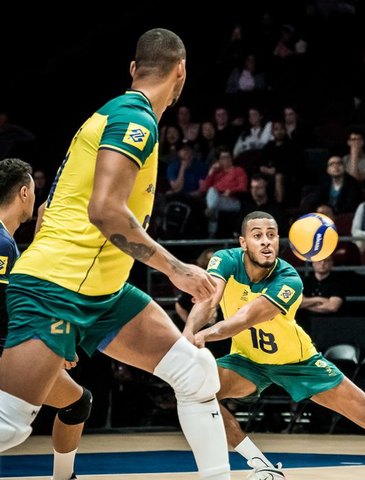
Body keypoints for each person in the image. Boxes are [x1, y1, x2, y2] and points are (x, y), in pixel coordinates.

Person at [0, 29, 232, 480]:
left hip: (103, 293)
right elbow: (105, 211)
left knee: (198, 372)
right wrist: (177, 269)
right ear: (181, 70)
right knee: (8, 426)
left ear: (133, 69)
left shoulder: (113, 114)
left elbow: (52, 208)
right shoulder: (134, 119)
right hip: (56, 288)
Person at [185, 211, 365, 480]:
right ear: (243, 243)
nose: (266, 241)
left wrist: (204, 335)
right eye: (257, 235)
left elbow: (245, 319)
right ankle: (262, 466)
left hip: (297, 362)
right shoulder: (225, 260)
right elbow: (208, 297)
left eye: (272, 234)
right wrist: (188, 333)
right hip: (247, 360)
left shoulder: (288, 279)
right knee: (197, 391)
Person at [0, 158, 91, 480]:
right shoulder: (1, 242)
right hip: (9, 352)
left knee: (77, 403)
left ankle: (64, 478)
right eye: (34, 193)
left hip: (16, 347)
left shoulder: (8, 242)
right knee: (12, 430)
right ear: (24, 193)